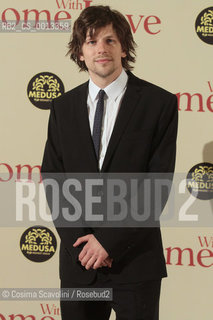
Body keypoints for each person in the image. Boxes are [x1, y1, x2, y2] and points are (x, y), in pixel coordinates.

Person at [41, 5, 178, 320]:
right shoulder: (62, 107)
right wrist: (84, 246)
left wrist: (107, 242)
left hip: (136, 261)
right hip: (79, 263)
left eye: (110, 40)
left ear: (124, 47)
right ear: (79, 53)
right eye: (91, 42)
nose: (100, 49)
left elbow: (157, 184)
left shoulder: (159, 103)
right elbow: (54, 179)